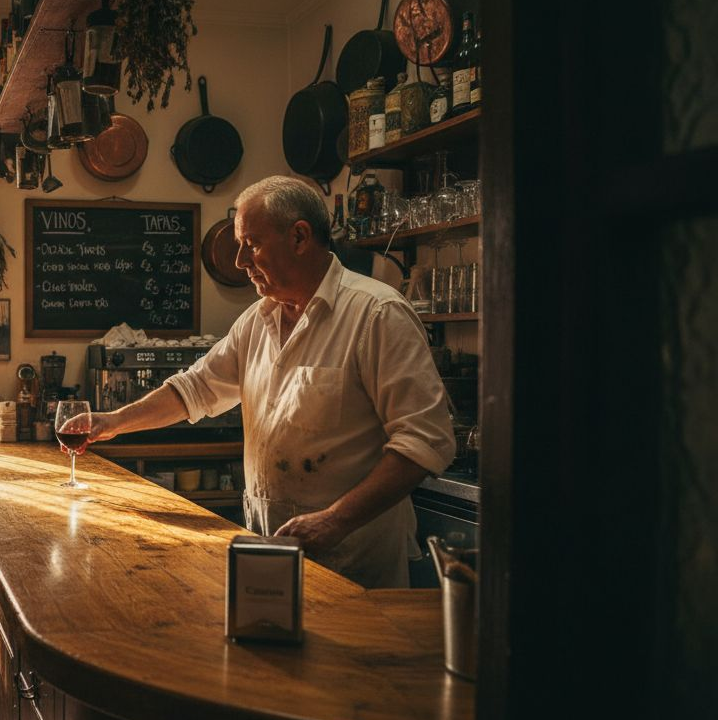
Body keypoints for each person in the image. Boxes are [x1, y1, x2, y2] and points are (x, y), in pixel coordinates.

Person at [83, 176, 455, 588]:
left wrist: (334, 521)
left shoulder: (376, 314)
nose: (240, 261)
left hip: (354, 562)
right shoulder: (258, 320)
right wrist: (111, 422)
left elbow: (425, 442)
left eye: (252, 244)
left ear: (299, 237)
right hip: (272, 551)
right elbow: (195, 389)